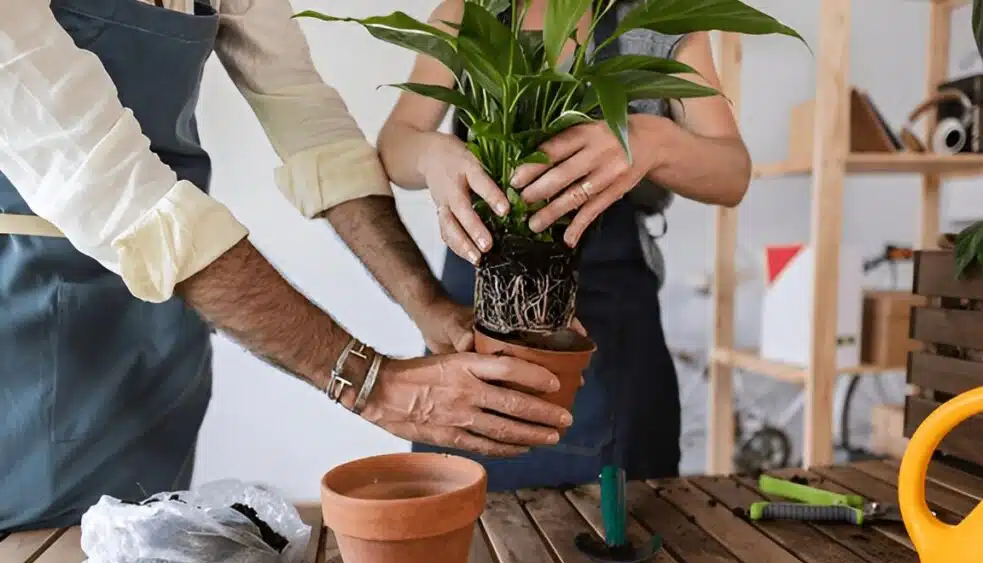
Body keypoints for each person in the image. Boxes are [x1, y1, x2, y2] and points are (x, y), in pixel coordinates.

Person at [0, 0, 575, 533]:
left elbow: (310, 121)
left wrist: (425, 303)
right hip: (26, 321)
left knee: (140, 551)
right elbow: (119, 192)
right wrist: (371, 384)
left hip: (164, 317)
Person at [377, 0, 753, 490]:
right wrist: (431, 155)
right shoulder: (471, 12)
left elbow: (732, 174)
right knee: (464, 524)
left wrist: (650, 139)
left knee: (619, 536)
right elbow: (395, 144)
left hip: (611, 329)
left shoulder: (658, 19)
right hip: (473, 314)